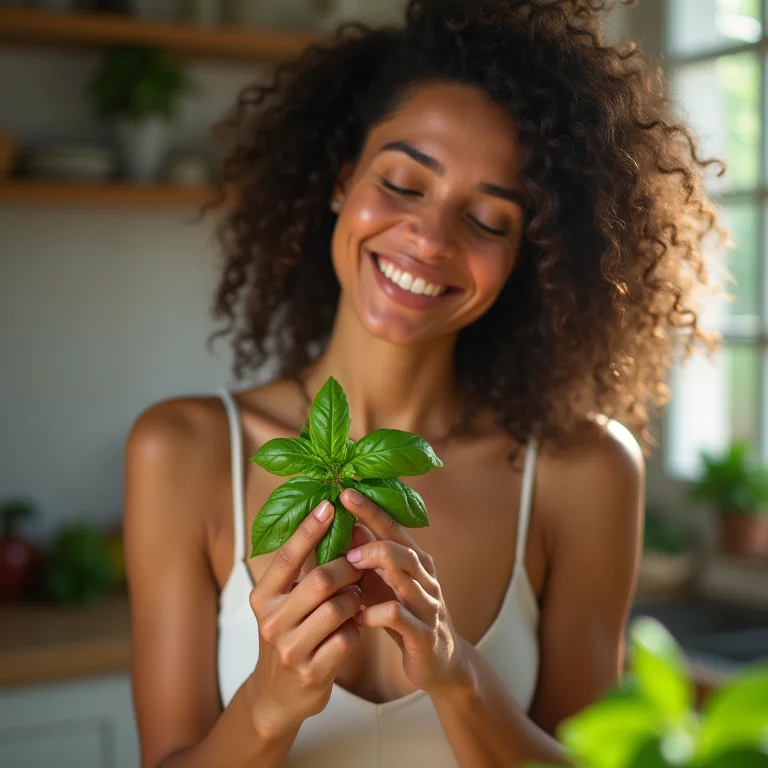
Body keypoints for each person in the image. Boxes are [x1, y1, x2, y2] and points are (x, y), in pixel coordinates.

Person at [124, 1, 722, 766]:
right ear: (344, 183)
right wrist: (267, 707)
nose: (430, 239)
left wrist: (459, 675)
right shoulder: (182, 451)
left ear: (528, 259)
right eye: (404, 183)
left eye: (490, 220)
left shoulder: (584, 472)